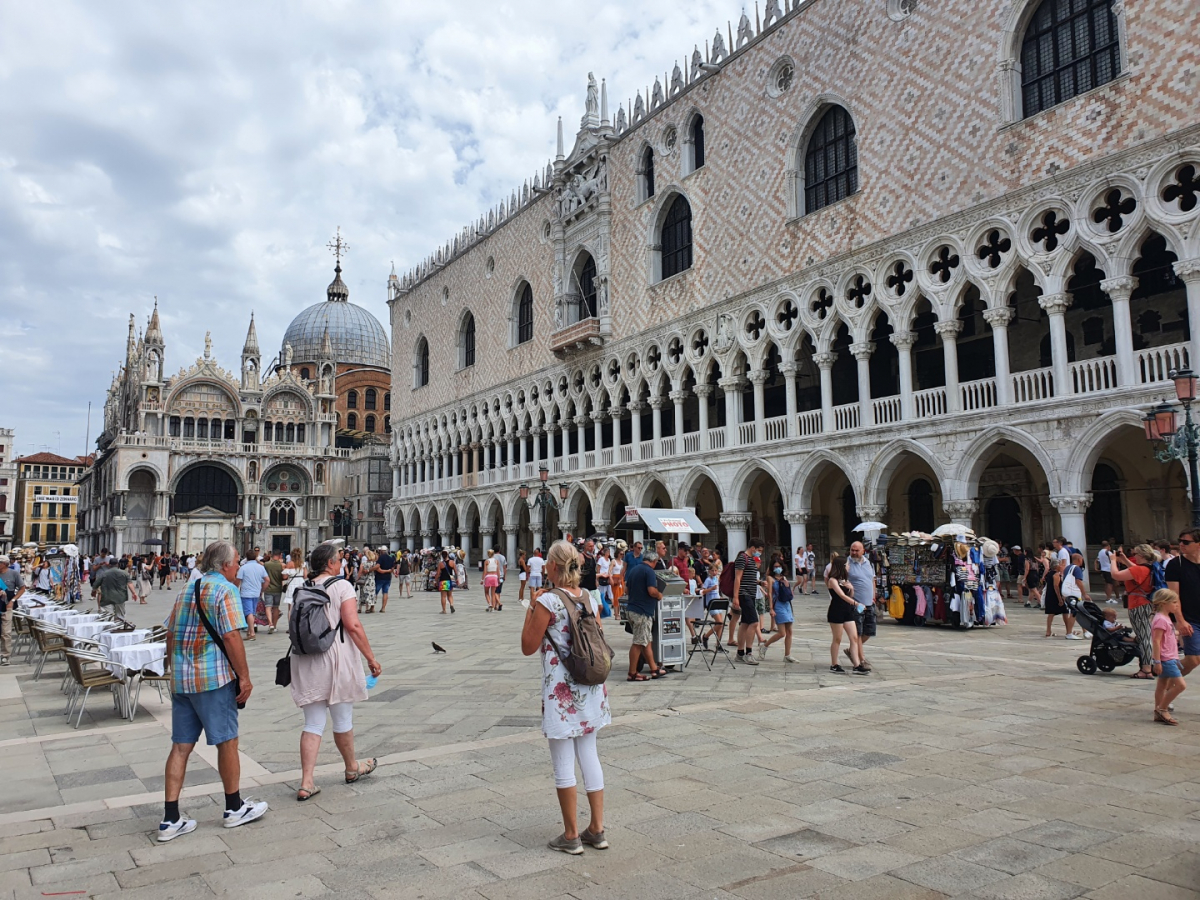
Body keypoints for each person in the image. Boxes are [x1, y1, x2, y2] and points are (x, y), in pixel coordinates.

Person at [158, 540, 266, 842]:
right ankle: (234, 808)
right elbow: (231, 636)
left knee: (180, 747)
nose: (237, 569)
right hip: (212, 679)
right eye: (235, 564)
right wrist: (244, 677)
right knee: (227, 742)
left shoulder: (187, 589)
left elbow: (170, 633)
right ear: (224, 566)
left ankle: (170, 819)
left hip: (182, 680)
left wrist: (172, 668)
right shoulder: (225, 590)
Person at [520, 539, 610, 854]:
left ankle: (571, 834)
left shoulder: (548, 601)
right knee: (589, 754)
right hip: (590, 686)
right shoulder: (589, 597)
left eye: (547, 562)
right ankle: (596, 829)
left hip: (561, 690)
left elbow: (528, 646)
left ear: (554, 567)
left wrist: (531, 606)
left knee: (562, 761)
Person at [291, 541, 383, 800]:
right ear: (331, 563)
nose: (341, 562)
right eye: (339, 559)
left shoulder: (301, 587)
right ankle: (352, 768)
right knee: (342, 719)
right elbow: (352, 625)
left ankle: (307, 782)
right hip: (336, 657)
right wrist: (371, 658)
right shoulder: (342, 586)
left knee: (313, 723)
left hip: (306, 659)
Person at [1112, 544, 1157, 679]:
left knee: (1144, 638)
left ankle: (1146, 668)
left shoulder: (1140, 570)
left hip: (1138, 604)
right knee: (1145, 636)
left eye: (1136, 554)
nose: (1134, 556)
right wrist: (1125, 560)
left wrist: (1113, 560)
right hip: (1145, 603)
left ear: (1141, 556)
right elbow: (1134, 569)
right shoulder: (1147, 568)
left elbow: (1116, 575)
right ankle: (1149, 664)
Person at [624, 547, 665, 680]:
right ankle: (632, 673)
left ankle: (654, 669)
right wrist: (659, 595)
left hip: (632, 608)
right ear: (653, 560)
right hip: (642, 611)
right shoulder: (649, 571)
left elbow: (627, 590)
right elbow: (651, 591)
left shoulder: (634, 569)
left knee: (646, 641)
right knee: (638, 642)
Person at [1164, 529, 1200, 679]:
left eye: (1186, 542)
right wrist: (1180, 620)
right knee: (1193, 659)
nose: (1181, 544)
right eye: (1180, 541)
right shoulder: (1175, 565)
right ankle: (1167, 680)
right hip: (1190, 618)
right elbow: (1174, 595)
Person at [1150, 588, 1186, 725]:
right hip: (1166, 658)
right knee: (1181, 685)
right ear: (1164, 603)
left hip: (1170, 657)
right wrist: (1157, 661)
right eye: (1174, 602)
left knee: (1162, 685)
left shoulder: (1164, 618)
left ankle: (1157, 710)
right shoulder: (1160, 620)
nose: (1177, 605)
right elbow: (1156, 641)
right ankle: (1162, 708)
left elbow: (1167, 636)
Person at [826, 554, 867, 674]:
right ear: (842, 566)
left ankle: (856, 664)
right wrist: (857, 604)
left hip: (847, 611)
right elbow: (841, 596)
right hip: (836, 611)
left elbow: (849, 595)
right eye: (847, 565)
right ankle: (834, 664)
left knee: (854, 637)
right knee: (837, 638)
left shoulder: (844, 580)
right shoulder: (832, 580)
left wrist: (851, 588)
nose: (849, 566)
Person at [846, 541, 877, 669]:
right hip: (856, 603)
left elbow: (872, 579)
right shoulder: (846, 564)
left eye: (856, 550)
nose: (854, 552)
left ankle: (851, 649)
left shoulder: (868, 563)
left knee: (869, 631)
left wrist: (874, 595)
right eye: (852, 550)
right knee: (857, 633)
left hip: (869, 602)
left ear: (863, 551)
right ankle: (861, 659)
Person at [733, 538, 764, 666]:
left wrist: (761, 583)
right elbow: (738, 578)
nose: (760, 553)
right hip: (744, 594)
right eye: (759, 550)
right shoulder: (742, 558)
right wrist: (735, 597)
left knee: (745, 623)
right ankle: (749, 652)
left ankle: (740, 653)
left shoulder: (751, 560)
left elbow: (750, 577)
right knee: (754, 622)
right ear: (753, 548)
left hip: (750, 594)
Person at [760, 562, 797, 662]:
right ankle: (765, 646)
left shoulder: (783, 577)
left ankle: (787, 655)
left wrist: (785, 583)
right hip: (778, 605)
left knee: (789, 631)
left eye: (779, 566)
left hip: (786, 604)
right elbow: (770, 594)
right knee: (782, 633)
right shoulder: (770, 578)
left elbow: (787, 590)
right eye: (775, 566)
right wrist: (771, 608)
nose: (777, 568)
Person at [236, 551, 267, 641]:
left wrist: (234, 588)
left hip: (246, 592)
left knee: (248, 612)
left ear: (246, 557)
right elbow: (267, 580)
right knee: (252, 612)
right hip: (256, 592)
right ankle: (249, 632)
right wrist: (262, 589)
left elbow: (238, 580)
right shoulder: (261, 567)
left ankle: (252, 633)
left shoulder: (243, 568)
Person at [0, 555, 25, 666]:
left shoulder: (14, 573)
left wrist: (13, 600)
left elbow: (22, 588)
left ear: (4, 563)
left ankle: (5, 656)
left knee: (6, 632)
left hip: (7, 606)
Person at [262, 550, 285, 633]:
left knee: (268, 607)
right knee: (276, 607)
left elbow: (263, 576)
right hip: (278, 589)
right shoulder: (281, 565)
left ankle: (270, 624)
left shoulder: (266, 564)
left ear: (272, 555)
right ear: (280, 555)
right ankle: (274, 626)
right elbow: (284, 577)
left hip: (268, 588)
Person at [282, 548, 306, 619]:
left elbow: (285, 577)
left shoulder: (289, 564)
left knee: (291, 607)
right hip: (301, 583)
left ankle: (290, 626)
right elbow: (305, 576)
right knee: (300, 605)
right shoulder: (303, 564)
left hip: (292, 583)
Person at [374, 546, 395, 613]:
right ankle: (383, 608)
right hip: (388, 578)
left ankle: (372, 607)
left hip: (380, 577)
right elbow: (392, 569)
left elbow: (378, 567)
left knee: (375, 592)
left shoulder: (381, 557)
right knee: (385, 592)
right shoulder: (391, 558)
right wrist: (389, 571)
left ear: (381, 551)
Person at [1095, 540, 1117, 604]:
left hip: (1103, 569)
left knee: (1107, 583)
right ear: (1108, 546)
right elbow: (1113, 558)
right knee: (1110, 583)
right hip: (1108, 569)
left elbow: (1097, 560)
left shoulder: (1100, 552)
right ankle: (1109, 598)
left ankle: (1108, 596)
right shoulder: (1108, 552)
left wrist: (1096, 567)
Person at [608, 548, 624, 620]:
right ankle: (616, 614)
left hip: (621, 579)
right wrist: (611, 578)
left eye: (623, 554)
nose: (622, 555)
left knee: (621, 596)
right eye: (621, 554)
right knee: (616, 596)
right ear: (617, 554)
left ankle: (620, 613)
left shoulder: (622, 562)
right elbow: (609, 571)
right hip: (615, 578)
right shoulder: (613, 561)